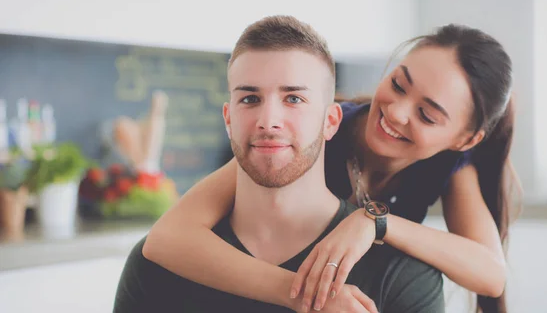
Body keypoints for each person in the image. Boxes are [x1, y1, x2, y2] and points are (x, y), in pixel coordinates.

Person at [143, 17, 519, 313]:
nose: (395, 111)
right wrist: (299, 296)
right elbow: (166, 239)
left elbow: (490, 274)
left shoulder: (452, 167)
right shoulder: (308, 137)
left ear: (464, 140)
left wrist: (375, 224)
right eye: (399, 85)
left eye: (427, 114)